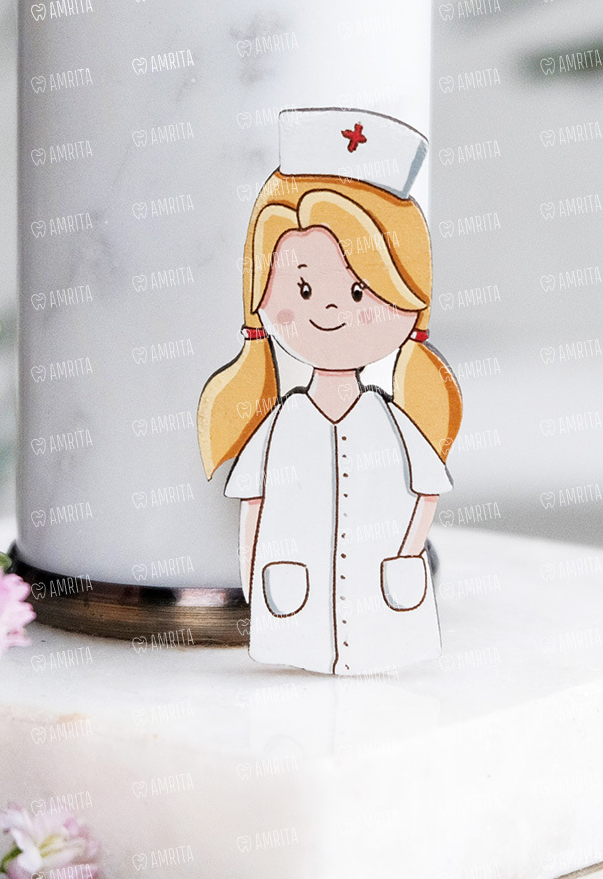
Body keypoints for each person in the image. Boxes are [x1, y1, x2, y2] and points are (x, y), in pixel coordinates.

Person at [197, 108, 462, 675]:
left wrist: (407, 552)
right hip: (294, 599)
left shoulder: (392, 423)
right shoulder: (280, 425)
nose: (332, 308)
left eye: (361, 291)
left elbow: (427, 491)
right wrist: (254, 577)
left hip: (383, 601)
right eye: (304, 289)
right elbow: (253, 504)